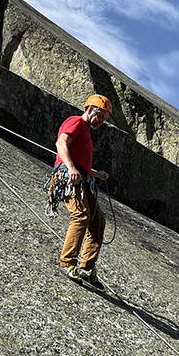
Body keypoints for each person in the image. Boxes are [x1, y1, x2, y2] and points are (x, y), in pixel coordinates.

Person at [48, 94, 112, 288]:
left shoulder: (87, 132)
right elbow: (61, 143)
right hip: (68, 176)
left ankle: (86, 266)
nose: (101, 121)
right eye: (100, 115)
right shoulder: (76, 121)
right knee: (81, 216)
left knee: (98, 221)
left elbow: (80, 161)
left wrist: (95, 173)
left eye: (104, 118)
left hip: (82, 177)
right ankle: (67, 262)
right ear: (90, 109)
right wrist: (71, 168)